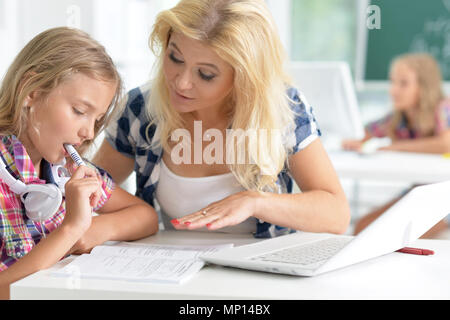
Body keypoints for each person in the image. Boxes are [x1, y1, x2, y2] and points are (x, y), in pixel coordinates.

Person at [94, 0, 350, 238]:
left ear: (244, 78)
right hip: (173, 273)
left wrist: (256, 202)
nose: (181, 83)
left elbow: (336, 214)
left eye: (205, 74)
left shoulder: (283, 110)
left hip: (262, 279)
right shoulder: (141, 108)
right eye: (175, 58)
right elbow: (92, 190)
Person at [0, 27, 158, 299]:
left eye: (96, 120)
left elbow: (146, 217)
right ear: (32, 92)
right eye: (79, 112)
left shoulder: (66, 169)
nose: (89, 133)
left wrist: (91, 230)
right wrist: (71, 229)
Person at [342, 53, 450, 236]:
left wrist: (392, 147)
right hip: (421, 190)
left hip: (445, 199)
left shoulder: (443, 109)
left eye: (403, 83)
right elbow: (366, 133)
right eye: (392, 82)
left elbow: (445, 144)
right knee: (362, 226)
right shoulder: (398, 118)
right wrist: (357, 142)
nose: (393, 90)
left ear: (424, 87)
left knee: (391, 235)